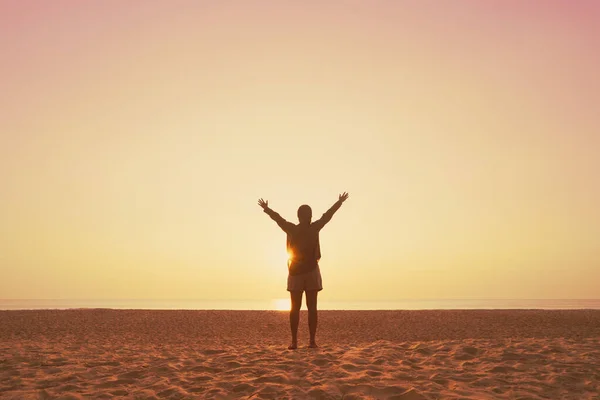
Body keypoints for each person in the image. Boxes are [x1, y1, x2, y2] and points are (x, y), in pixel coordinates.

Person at [258, 192, 349, 349]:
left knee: (301, 308)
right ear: (307, 216)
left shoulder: (297, 229)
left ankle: (302, 341)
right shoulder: (306, 228)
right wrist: (339, 202)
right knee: (305, 308)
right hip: (303, 271)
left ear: (301, 216)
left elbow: (279, 219)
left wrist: (267, 209)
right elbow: (327, 216)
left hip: (303, 271)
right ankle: (303, 341)